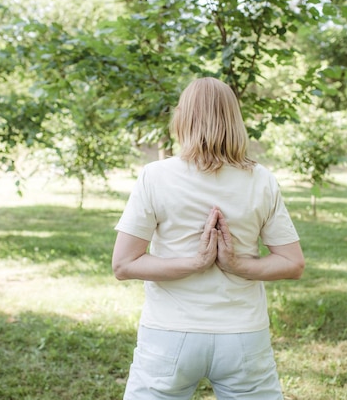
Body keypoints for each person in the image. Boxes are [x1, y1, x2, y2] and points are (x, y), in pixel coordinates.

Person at [112, 77, 305, 400]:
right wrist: (234, 264)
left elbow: (124, 264)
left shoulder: (155, 175)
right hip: (242, 337)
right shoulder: (261, 179)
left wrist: (198, 262)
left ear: (183, 118)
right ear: (234, 120)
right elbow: (292, 263)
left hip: (169, 337)